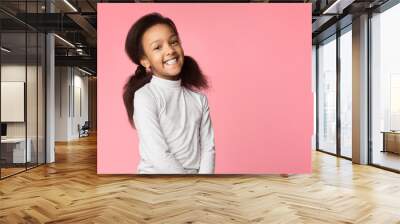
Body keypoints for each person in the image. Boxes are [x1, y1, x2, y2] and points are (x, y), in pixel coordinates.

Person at [123, 13, 215, 174]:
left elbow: (208, 148)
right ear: (145, 61)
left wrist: (203, 184)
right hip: (157, 183)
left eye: (174, 42)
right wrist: (188, 188)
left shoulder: (199, 99)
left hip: (195, 184)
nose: (170, 50)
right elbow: (158, 154)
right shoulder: (145, 96)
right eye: (157, 47)